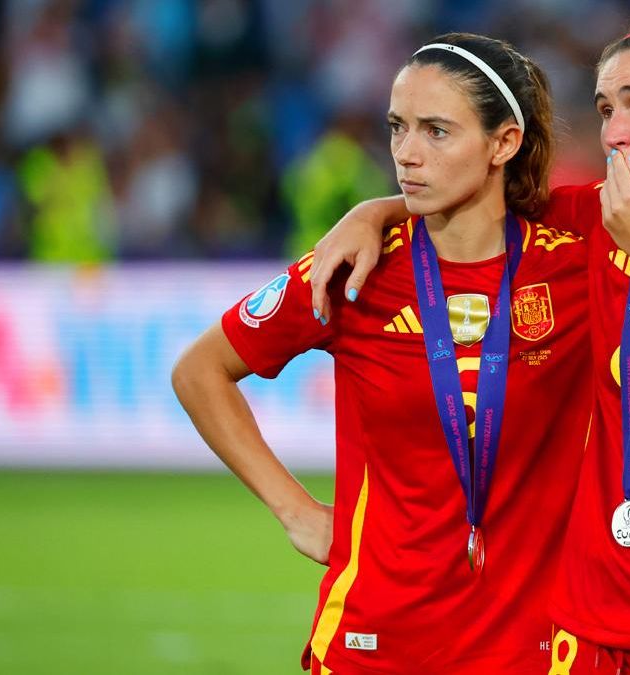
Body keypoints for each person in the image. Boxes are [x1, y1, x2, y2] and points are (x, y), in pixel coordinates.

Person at [308, 11, 630, 673]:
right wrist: (376, 211)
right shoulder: (599, 220)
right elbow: (477, 199)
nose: (616, 132)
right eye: (606, 107)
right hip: (586, 627)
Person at [173, 33, 594, 674]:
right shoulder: (354, 269)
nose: (406, 154)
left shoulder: (579, 251)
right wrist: (295, 511)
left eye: (436, 131)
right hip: (374, 642)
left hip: (532, 647)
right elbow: (200, 371)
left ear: (504, 143)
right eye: (398, 127)